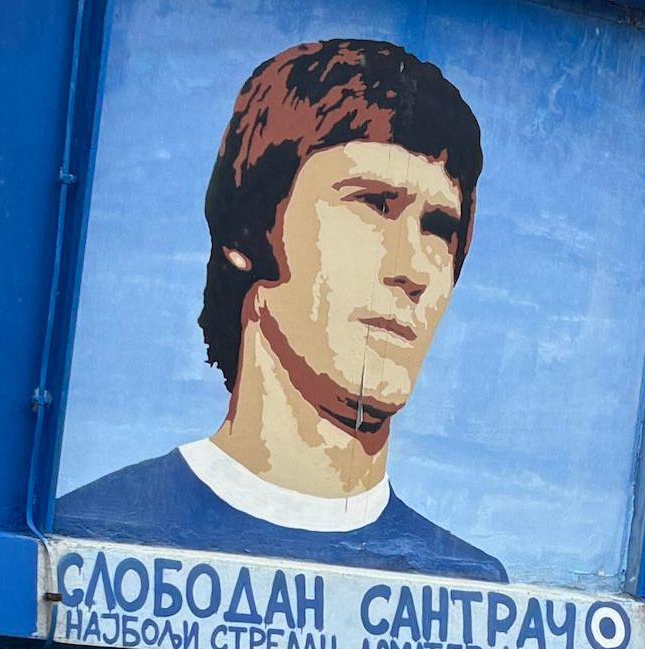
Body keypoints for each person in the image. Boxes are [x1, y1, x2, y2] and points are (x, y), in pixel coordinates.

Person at [55, 38, 506, 583]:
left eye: (438, 228)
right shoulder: (90, 539)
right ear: (247, 232)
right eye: (371, 203)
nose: (413, 269)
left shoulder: (473, 591)